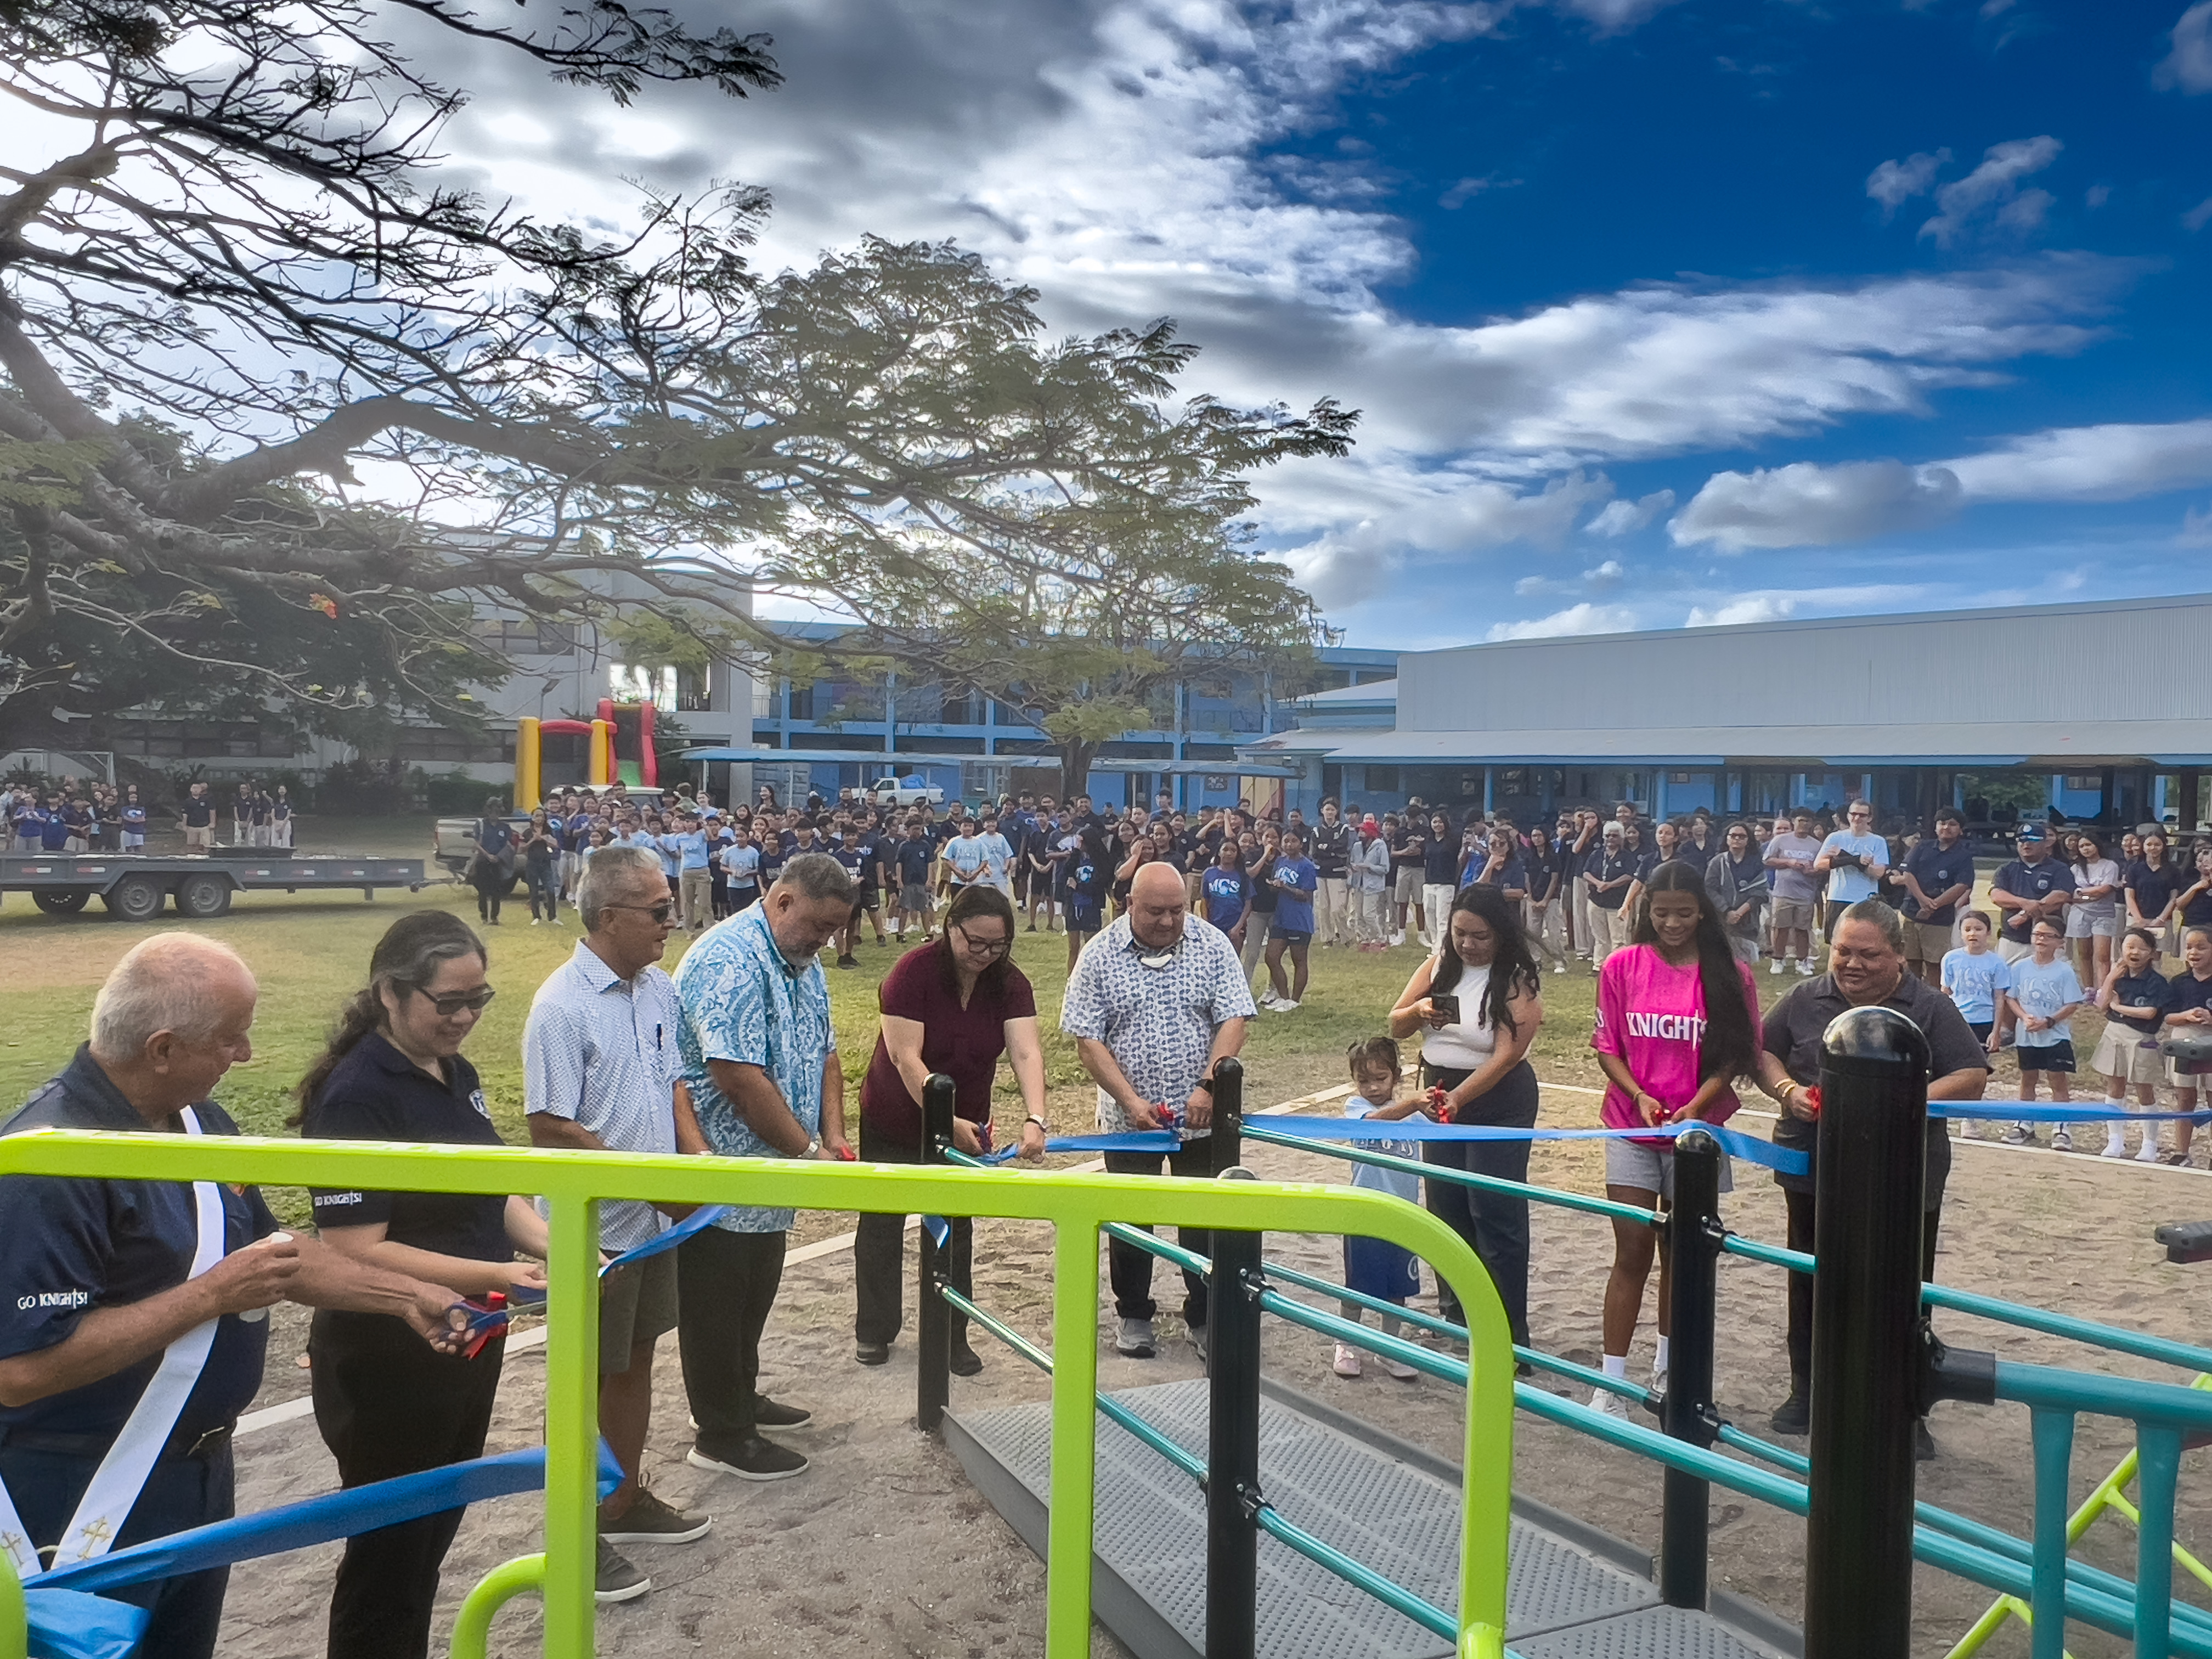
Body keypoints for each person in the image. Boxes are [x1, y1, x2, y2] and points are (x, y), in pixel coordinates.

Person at [0, 936, 465, 1659]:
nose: (244, 1054)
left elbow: (275, 1259)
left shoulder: (199, 1122)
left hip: (198, 1473)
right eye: (228, 1038)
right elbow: (21, 1370)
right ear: (161, 1048)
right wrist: (211, 1294)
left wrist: (406, 1295)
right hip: (79, 1483)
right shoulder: (46, 1164)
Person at [296, 912, 554, 1657]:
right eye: (449, 1003)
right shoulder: (355, 1097)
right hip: (387, 1356)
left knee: (430, 1541)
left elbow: (493, 1189)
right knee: (389, 1559)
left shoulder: (455, 1073)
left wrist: (557, 1244)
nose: (467, 1018)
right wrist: (498, 1273)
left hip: (466, 1338)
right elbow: (355, 1247)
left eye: (480, 999)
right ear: (391, 992)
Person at [523, 846, 710, 1600]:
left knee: (635, 1362)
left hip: (651, 1225)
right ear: (608, 918)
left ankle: (622, 1498)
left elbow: (673, 1085)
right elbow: (549, 1127)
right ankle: (575, 1535)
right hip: (593, 1235)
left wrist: (695, 1164)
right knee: (581, 1382)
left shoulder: (657, 989)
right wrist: (647, 1183)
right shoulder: (560, 1006)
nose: (673, 921)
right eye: (659, 911)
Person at [1752, 899, 1990, 1456]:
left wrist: (1901, 1100)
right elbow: (1761, 1051)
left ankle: (1905, 1410)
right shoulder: (1806, 997)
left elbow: (1972, 1074)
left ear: (1899, 957)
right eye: (1842, 952)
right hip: (1814, 1160)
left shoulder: (1929, 1007)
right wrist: (1788, 1092)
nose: (1852, 964)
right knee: (1810, 1276)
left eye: (1868, 955)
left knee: (1903, 1286)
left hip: (1905, 1170)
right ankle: (1808, 1391)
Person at [672, 852, 854, 1482]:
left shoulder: (803, 961)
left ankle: (741, 1395)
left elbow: (827, 1052)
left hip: (776, 1171)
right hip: (725, 1170)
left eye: (833, 931)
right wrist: (808, 1153)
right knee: (717, 1305)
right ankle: (720, 1432)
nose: (823, 941)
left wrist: (833, 1135)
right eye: (817, 927)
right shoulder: (729, 960)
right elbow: (738, 1078)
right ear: (781, 901)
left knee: (755, 1293)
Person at [1586, 861, 1760, 1415]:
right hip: (1632, 1127)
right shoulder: (1621, 966)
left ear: (1703, 911)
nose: (1672, 923)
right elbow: (1608, 1045)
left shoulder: (1731, 974)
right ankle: (1611, 1379)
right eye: (1661, 913)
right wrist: (1637, 1094)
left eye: (1684, 913)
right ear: (1646, 911)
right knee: (1632, 1249)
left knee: (1680, 1253)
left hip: (1697, 1134)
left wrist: (1696, 1107)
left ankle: (1666, 1366)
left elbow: (1734, 1054)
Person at [1060, 861, 1254, 1359]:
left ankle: (1207, 1314)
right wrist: (1131, 1102)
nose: (1168, 922)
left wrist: (1209, 1086)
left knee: (1204, 1217)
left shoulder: (1212, 946)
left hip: (1205, 1117)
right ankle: (1134, 1314)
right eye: (1156, 912)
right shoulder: (1099, 955)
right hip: (1130, 1121)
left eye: (1177, 911)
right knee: (1132, 1219)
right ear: (1130, 905)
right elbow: (1088, 1041)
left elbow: (1235, 1019)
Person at [853, 887, 1048, 1370]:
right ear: (950, 927)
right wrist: (944, 1120)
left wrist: (1035, 1117)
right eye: (975, 942)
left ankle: (950, 1332)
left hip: (968, 1122)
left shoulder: (1011, 983)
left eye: (997, 945)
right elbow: (904, 1057)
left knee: (954, 1229)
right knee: (882, 1222)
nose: (985, 955)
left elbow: (1026, 1051)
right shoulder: (911, 973)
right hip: (895, 1117)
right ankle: (875, 1329)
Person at [1387, 884, 1544, 1353]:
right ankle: (1455, 1316)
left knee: (1494, 1211)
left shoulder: (1516, 979)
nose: (1468, 944)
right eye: (1460, 933)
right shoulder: (1439, 965)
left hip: (1498, 1098)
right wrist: (1418, 1011)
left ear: (1500, 935)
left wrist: (1459, 1099)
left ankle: (1509, 1332)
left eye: (1480, 936)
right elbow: (1395, 1023)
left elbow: (1507, 1056)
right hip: (1440, 1090)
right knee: (1447, 1206)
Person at [1329, 1037, 1427, 1381]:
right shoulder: (1356, 1108)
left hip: (1403, 1215)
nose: (1372, 1087)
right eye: (1364, 1080)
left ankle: (1389, 1347)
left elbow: (1446, 1129)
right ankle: (1346, 1343)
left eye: (1381, 1078)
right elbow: (1374, 1122)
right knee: (1356, 1287)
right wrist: (1414, 1104)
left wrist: (1440, 1107)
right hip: (1364, 1213)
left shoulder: (1415, 1118)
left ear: (1397, 1076)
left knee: (1397, 1289)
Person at [2001, 918, 2086, 1150]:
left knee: (2057, 1079)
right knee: (2028, 1078)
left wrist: (2049, 1021)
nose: (2041, 940)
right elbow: (2011, 997)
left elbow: (2071, 1004)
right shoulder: (2020, 967)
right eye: (2037, 935)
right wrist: (2023, 1017)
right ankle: (2025, 1123)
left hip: (2055, 1035)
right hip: (2027, 1034)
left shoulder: (2064, 971)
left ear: (2059, 942)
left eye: (2048, 936)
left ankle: (2061, 1127)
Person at [2091, 927, 2170, 1163]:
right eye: (2129, 947)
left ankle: (2150, 1144)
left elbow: (2149, 1012)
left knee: (2144, 1090)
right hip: (2114, 1033)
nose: (2134, 952)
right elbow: (2101, 1004)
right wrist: (2110, 978)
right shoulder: (2118, 976)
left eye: (2141, 948)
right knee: (2115, 1087)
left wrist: (2118, 1008)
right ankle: (2115, 1140)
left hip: (2142, 1037)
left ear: (2152, 953)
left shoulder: (2157, 982)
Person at [1939, 913, 2011, 1141]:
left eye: (1978, 929)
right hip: (1958, 1021)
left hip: (1984, 1023)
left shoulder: (1997, 963)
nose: (1973, 934)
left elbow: (1999, 998)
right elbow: (1946, 993)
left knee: (1977, 1072)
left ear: (1988, 933)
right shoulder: (1951, 959)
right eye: (1968, 929)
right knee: (1951, 1069)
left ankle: (1969, 1119)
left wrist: (1996, 1031)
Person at [1898, 809, 1976, 984]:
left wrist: (1934, 906)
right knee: (1909, 962)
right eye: (1942, 823)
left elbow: (1962, 885)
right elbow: (1908, 874)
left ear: (1961, 830)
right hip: (1912, 913)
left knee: (1935, 964)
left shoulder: (1963, 856)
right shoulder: (1922, 847)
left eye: (1952, 824)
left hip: (1939, 919)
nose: (1946, 827)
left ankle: (1930, 1002)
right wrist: (1923, 901)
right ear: (1935, 827)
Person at [2159, 926, 2212, 1167]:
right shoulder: (2179, 981)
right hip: (2184, 1039)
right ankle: (2182, 1152)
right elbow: (2168, 1017)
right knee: (2185, 1098)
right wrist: (2187, 1016)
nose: (2194, 952)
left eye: (2201, 947)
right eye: (2189, 947)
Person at [1990, 825, 2075, 964]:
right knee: (2007, 982)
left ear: (2045, 843)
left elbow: (2060, 896)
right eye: (2021, 840)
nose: (2026, 844)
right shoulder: (2006, 869)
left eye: (2033, 839)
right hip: (2013, 938)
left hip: (2049, 937)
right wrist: (2025, 903)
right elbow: (1997, 896)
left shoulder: (2060, 869)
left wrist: (2024, 915)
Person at [1813, 799, 1888, 942]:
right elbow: (1819, 865)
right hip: (1838, 896)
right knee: (1836, 942)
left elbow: (1878, 873)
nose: (1857, 818)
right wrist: (1851, 860)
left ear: (1869, 818)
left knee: (1864, 941)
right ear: (1848, 816)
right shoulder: (1835, 838)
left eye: (1862, 815)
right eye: (1853, 814)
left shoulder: (1878, 841)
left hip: (1865, 898)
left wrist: (1858, 863)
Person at [1261, 830, 1319, 1012]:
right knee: (1271, 957)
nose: (1289, 845)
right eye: (1286, 841)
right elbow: (1275, 887)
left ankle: (1295, 999)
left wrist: (1285, 887)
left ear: (1300, 844)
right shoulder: (1280, 861)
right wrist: (1273, 886)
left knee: (1299, 960)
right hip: (1281, 917)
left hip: (1299, 920)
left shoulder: (1307, 866)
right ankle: (1284, 997)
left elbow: (1306, 896)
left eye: (1293, 841)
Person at [1763, 808, 1825, 975]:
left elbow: (1822, 867)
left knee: (1803, 928)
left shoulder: (1817, 845)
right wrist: (1789, 862)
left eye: (1807, 821)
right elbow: (1767, 860)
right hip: (1783, 891)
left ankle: (1802, 961)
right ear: (1794, 822)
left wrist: (1812, 871)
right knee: (1780, 927)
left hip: (1806, 893)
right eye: (1800, 821)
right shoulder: (1780, 840)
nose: (1804, 824)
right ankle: (1778, 959)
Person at [1706, 820, 1769, 967]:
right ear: (1727, 839)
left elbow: (1760, 892)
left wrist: (1740, 912)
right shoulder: (1718, 862)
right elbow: (1710, 888)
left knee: (1744, 965)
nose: (1737, 839)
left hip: (1747, 921)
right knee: (1721, 962)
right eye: (1733, 836)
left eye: (1742, 836)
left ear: (1748, 840)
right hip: (1721, 919)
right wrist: (1727, 911)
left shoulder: (1756, 863)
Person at [2067, 829, 2122, 990]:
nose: (2086, 849)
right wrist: (2089, 895)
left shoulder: (2110, 866)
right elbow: (2072, 895)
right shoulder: (2075, 869)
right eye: (2082, 846)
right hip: (2079, 913)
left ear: (2097, 845)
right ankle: (2088, 989)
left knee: (2103, 955)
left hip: (2103, 915)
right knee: (2084, 954)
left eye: (2088, 845)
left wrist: (2082, 892)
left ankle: (2103, 989)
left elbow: (2105, 890)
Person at [1584, 821, 1636, 967]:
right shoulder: (1596, 854)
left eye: (1614, 835)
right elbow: (1586, 872)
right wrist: (1598, 883)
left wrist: (1610, 885)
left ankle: (1617, 966)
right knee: (1600, 936)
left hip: (1616, 902)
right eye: (1607, 835)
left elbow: (1630, 875)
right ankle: (1599, 964)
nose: (1610, 838)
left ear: (1621, 838)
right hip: (1596, 900)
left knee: (1618, 937)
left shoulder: (1627, 856)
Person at [2126, 829, 2183, 957]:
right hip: (2137, 919)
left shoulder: (2172, 870)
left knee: (2156, 958)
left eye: (2157, 845)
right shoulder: (2134, 869)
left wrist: (2161, 919)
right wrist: (2139, 919)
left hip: (2161, 920)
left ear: (2163, 847)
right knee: (2135, 955)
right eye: (2149, 844)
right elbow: (2129, 896)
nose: (2153, 848)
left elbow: (2173, 898)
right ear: (2143, 847)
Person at [468, 796, 515, 926]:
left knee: (496, 890)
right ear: (488, 811)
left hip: (498, 861)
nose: (494, 814)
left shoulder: (505, 827)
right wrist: (488, 855)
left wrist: (498, 857)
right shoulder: (481, 825)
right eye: (492, 811)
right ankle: (484, 916)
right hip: (483, 860)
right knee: (483, 890)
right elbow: (477, 843)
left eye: (497, 812)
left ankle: (494, 917)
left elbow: (507, 844)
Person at [1311, 799, 1351, 948]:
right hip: (1321, 873)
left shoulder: (1343, 829)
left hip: (1337, 873)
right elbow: (1315, 853)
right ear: (1322, 811)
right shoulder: (1316, 831)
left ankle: (1346, 937)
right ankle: (1327, 938)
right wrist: (1331, 851)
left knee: (1337, 908)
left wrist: (1326, 848)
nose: (1329, 813)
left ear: (1337, 812)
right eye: (1327, 809)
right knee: (1323, 908)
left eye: (1332, 810)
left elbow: (1342, 848)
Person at [1349, 815, 1392, 951]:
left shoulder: (1380, 846)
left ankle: (1379, 938)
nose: (1360, 833)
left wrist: (1369, 867)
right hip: (1358, 884)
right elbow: (1352, 862)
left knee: (1369, 914)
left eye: (1363, 831)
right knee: (1359, 915)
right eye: (1360, 831)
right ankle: (1364, 939)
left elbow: (1385, 868)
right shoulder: (1356, 847)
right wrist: (1353, 868)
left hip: (1373, 886)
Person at [1420, 811, 1460, 951]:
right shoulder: (1429, 841)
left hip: (1446, 884)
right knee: (1429, 915)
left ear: (1446, 824)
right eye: (1434, 822)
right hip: (1429, 883)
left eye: (1440, 822)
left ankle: (1440, 949)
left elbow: (1459, 861)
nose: (1437, 825)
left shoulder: (1453, 841)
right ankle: (1434, 942)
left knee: (1442, 918)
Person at [1201, 839, 1251, 945]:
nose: (1229, 853)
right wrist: (1207, 924)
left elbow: (1248, 904)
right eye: (1225, 849)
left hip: (1235, 926)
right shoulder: (1209, 873)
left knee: (1233, 960)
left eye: (1233, 850)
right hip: (1215, 924)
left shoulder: (1242, 876)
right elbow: (1204, 900)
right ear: (1219, 852)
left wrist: (1238, 927)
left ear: (1237, 854)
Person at [521, 809, 562, 926]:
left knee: (550, 889)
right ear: (532, 818)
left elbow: (555, 844)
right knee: (534, 890)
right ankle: (536, 916)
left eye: (542, 816)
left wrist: (543, 838)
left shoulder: (548, 830)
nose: (540, 818)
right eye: (537, 816)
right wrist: (533, 840)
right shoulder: (528, 832)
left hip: (546, 863)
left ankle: (553, 916)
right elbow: (522, 848)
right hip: (532, 863)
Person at [178, 781, 216, 853]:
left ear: (201, 790)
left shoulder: (207, 800)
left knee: (206, 846)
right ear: (191, 790)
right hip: (191, 827)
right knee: (192, 846)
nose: (195, 790)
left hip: (205, 826)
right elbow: (185, 814)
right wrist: (184, 825)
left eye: (197, 788)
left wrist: (213, 822)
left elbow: (212, 811)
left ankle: (205, 858)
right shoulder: (187, 801)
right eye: (194, 788)